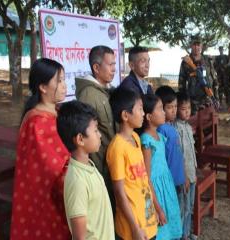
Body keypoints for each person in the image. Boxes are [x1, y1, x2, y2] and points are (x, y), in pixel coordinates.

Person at [10, 58, 71, 239]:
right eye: (59, 81)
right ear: (43, 87)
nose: (64, 86)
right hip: (48, 198)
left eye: (64, 79)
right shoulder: (38, 123)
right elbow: (52, 169)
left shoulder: (57, 112)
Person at [57, 101, 114, 240]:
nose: (100, 135)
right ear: (80, 139)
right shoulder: (77, 181)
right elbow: (79, 237)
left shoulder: (88, 165)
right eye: (95, 130)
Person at [107, 88, 158, 240]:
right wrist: (135, 228)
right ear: (125, 115)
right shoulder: (117, 148)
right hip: (132, 228)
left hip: (146, 220)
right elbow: (120, 193)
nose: (143, 113)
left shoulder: (136, 137)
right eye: (140, 109)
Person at [75, 45, 116, 204]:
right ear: (96, 68)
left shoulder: (106, 90)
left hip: (111, 164)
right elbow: (87, 137)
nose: (114, 69)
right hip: (100, 168)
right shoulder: (89, 95)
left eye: (114, 64)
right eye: (110, 65)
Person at [140, 94, 183, 240]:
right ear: (149, 116)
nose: (164, 112)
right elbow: (146, 177)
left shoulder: (159, 135)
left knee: (171, 227)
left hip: (166, 186)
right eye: (160, 109)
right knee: (162, 231)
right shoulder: (147, 141)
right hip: (156, 192)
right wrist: (157, 207)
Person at [173, 92, 197, 239]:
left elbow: (191, 153)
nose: (187, 111)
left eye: (189, 108)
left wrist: (194, 171)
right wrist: (185, 177)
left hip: (191, 174)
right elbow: (179, 156)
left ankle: (186, 233)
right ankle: (182, 235)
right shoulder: (176, 129)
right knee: (183, 207)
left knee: (190, 206)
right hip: (184, 177)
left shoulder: (187, 126)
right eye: (183, 108)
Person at [178, 35, 218, 114]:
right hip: (192, 102)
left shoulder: (208, 60)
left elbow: (215, 79)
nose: (196, 47)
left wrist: (216, 98)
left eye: (198, 45)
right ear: (191, 46)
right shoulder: (186, 62)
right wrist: (183, 101)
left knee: (208, 123)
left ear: (202, 46)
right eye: (194, 45)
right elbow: (181, 83)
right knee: (193, 124)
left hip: (208, 99)